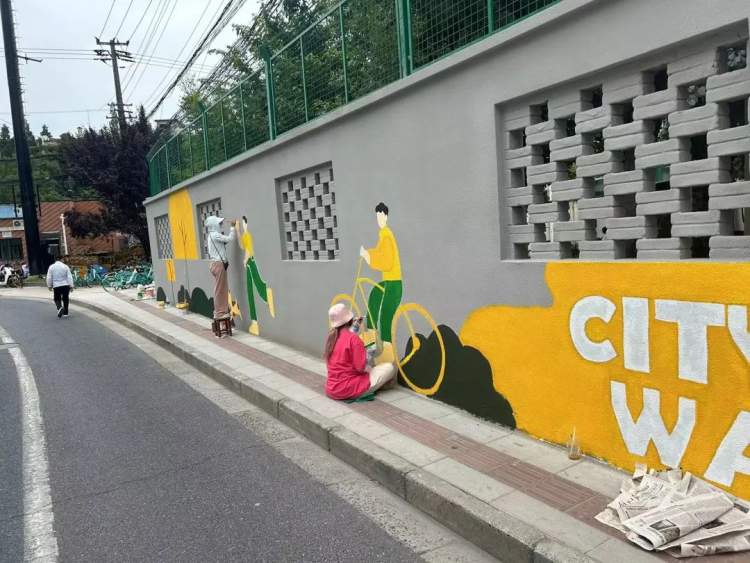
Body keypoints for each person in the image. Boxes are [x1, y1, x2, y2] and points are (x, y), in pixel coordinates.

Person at [324, 303, 396, 401]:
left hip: (332, 389)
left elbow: (345, 339)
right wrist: (370, 352)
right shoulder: (353, 339)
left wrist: (355, 327)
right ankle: (371, 389)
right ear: (350, 320)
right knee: (389, 367)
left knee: (372, 369)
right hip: (349, 389)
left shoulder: (331, 338)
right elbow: (361, 368)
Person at [359, 202, 402, 345]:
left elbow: (387, 262)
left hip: (394, 283)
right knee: (374, 296)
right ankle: (371, 336)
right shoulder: (383, 236)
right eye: (377, 217)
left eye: (381, 216)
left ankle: (388, 347)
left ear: (386, 217)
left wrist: (369, 257)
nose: (379, 220)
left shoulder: (386, 236)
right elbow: (379, 252)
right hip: (388, 281)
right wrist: (367, 253)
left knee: (386, 315)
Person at [237, 215, 274, 336]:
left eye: (244, 223)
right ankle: (255, 321)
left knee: (251, 289)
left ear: (247, 224)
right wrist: (237, 231)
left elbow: (248, 249)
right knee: (254, 286)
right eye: (242, 223)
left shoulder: (248, 235)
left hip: (250, 262)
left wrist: (245, 260)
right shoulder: (245, 235)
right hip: (250, 262)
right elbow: (242, 246)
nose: (243, 225)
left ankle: (255, 322)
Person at [205, 215, 236, 321]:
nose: (220, 225)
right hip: (218, 264)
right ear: (214, 225)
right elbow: (230, 238)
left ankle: (219, 312)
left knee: (220, 288)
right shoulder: (215, 235)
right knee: (221, 289)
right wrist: (233, 227)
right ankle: (220, 313)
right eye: (219, 223)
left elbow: (224, 242)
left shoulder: (211, 236)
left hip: (214, 264)